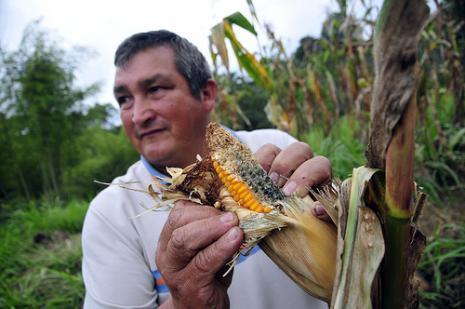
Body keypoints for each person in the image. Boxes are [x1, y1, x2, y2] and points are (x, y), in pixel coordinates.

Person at [82, 30, 332, 309]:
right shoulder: (111, 214)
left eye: (154, 90)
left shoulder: (277, 148)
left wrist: (339, 212)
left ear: (206, 94)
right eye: (124, 99)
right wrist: (183, 303)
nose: (138, 115)